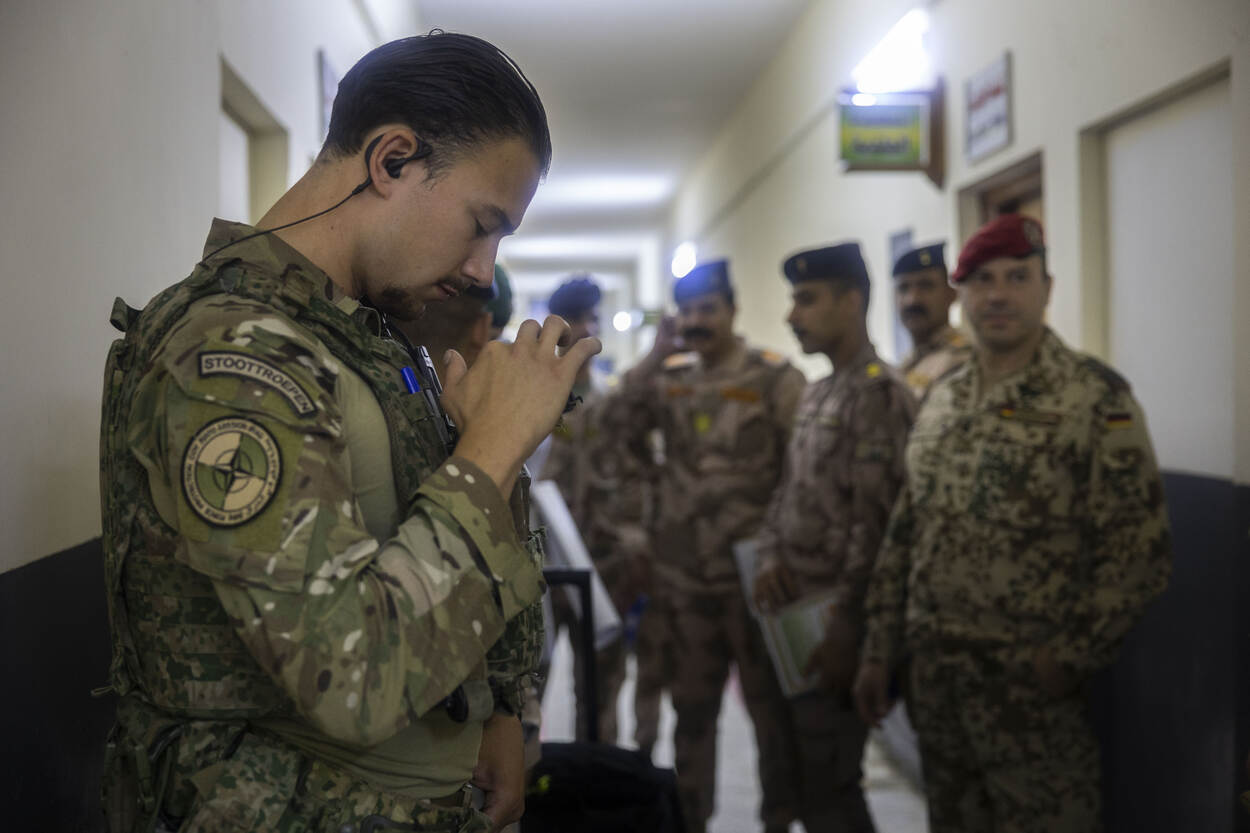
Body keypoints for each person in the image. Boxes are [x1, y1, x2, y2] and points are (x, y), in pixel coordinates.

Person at [98, 32, 601, 833]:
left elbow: (417, 535)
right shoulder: (233, 353)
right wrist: (492, 450)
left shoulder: (365, 336)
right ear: (391, 160)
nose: (483, 269)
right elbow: (351, 677)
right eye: (481, 224)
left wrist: (500, 703)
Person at [854, 214, 1172, 833]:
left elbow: (1139, 551)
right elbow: (905, 532)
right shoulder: (943, 397)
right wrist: (879, 650)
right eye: (982, 280)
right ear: (962, 295)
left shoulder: (1093, 399)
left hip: (1031, 701)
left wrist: (1067, 659)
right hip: (938, 688)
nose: (998, 295)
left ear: (1046, 288)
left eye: (1017, 277)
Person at [613, 259, 806, 833]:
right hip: (684, 582)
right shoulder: (670, 377)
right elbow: (614, 425)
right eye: (687, 312)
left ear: (732, 310)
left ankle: (778, 820)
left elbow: (803, 474)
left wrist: (784, 551)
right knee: (692, 714)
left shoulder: (774, 377)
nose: (696, 321)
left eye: (707, 310)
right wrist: (654, 356)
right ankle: (692, 820)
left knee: (771, 718)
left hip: (756, 582)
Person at [753, 243, 915, 833]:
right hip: (792, 621)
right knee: (791, 779)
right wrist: (770, 554)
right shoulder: (821, 390)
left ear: (851, 302)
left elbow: (879, 529)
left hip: (834, 629)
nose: (792, 315)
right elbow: (788, 489)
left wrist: (850, 629)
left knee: (831, 791)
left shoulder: (879, 395)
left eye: (806, 300)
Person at [536, 275, 649, 744]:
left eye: (592, 317)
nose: (587, 328)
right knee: (525, 696)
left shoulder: (610, 403)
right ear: (556, 327)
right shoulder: (529, 401)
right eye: (576, 318)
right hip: (537, 573)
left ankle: (596, 783)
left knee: (599, 700)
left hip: (600, 573)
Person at [892, 242, 972, 398]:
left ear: (951, 295)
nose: (912, 300)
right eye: (903, 288)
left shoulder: (962, 361)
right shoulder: (907, 363)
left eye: (926, 286)